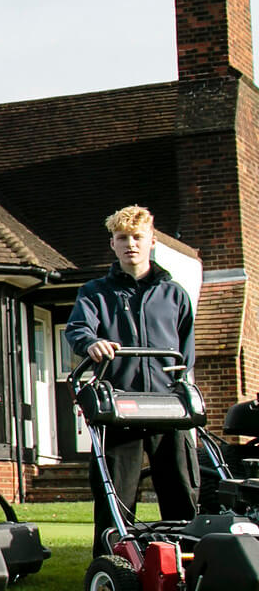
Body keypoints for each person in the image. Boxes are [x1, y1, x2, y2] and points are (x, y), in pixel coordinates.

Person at [66, 204, 198, 546]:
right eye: (122, 238)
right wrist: (92, 343)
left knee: (181, 492)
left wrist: (182, 384)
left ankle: (184, 561)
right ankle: (112, 563)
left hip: (169, 408)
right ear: (113, 244)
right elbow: (78, 329)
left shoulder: (174, 294)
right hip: (120, 406)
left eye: (138, 237)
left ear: (152, 241)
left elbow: (186, 351)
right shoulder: (95, 293)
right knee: (115, 498)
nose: (131, 244)